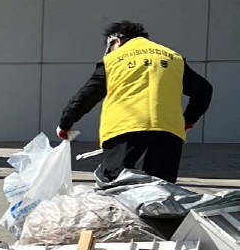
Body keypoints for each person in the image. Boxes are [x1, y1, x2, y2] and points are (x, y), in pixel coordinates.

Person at [58, 20, 213, 183]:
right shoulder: (174, 58)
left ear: (116, 41)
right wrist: (187, 121)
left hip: (124, 131)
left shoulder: (113, 59)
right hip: (168, 134)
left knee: (118, 188)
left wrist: (65, 123)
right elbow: (204, 90)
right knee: (160, 192)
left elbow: (87, 96)